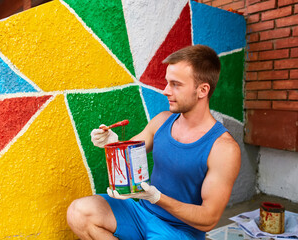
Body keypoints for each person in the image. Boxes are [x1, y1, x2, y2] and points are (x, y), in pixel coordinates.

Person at [66, 44, 241, 240]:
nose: (166, 91)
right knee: (78, 213)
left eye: (176, 84)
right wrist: (112, 143)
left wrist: (158, 198)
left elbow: (209, 219)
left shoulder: (223, 148)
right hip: (140, 211)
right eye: (167, 83)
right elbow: (128, 157)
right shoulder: (162, 121)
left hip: (179, 230)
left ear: (202, 90)